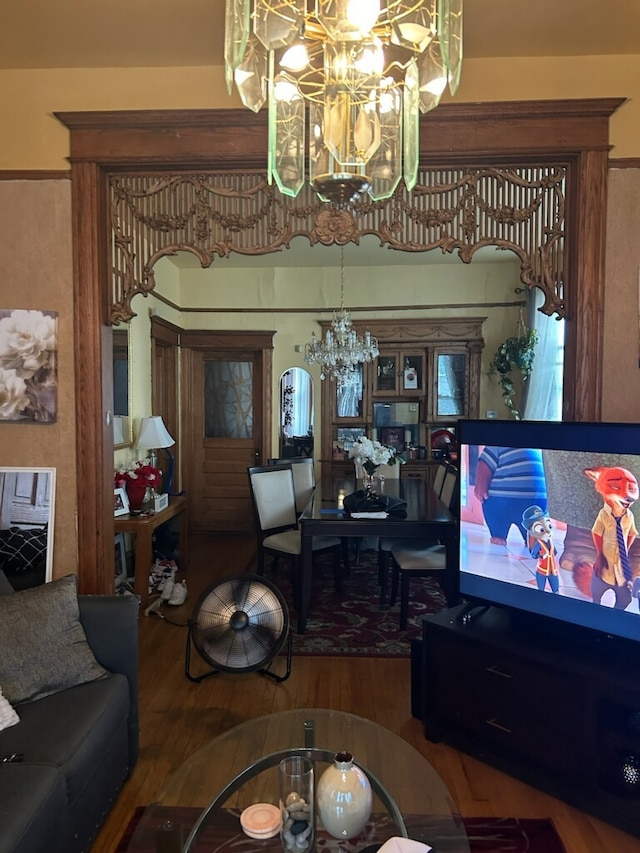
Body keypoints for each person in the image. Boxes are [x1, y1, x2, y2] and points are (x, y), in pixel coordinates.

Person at [474, 445, 547, 546]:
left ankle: (532, 537)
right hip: (502, 502)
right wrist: (481, 485)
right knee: (497, 520)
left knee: (535, 530)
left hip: (533, 502)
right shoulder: (497, 443)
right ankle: (498, 534)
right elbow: (485, 464)